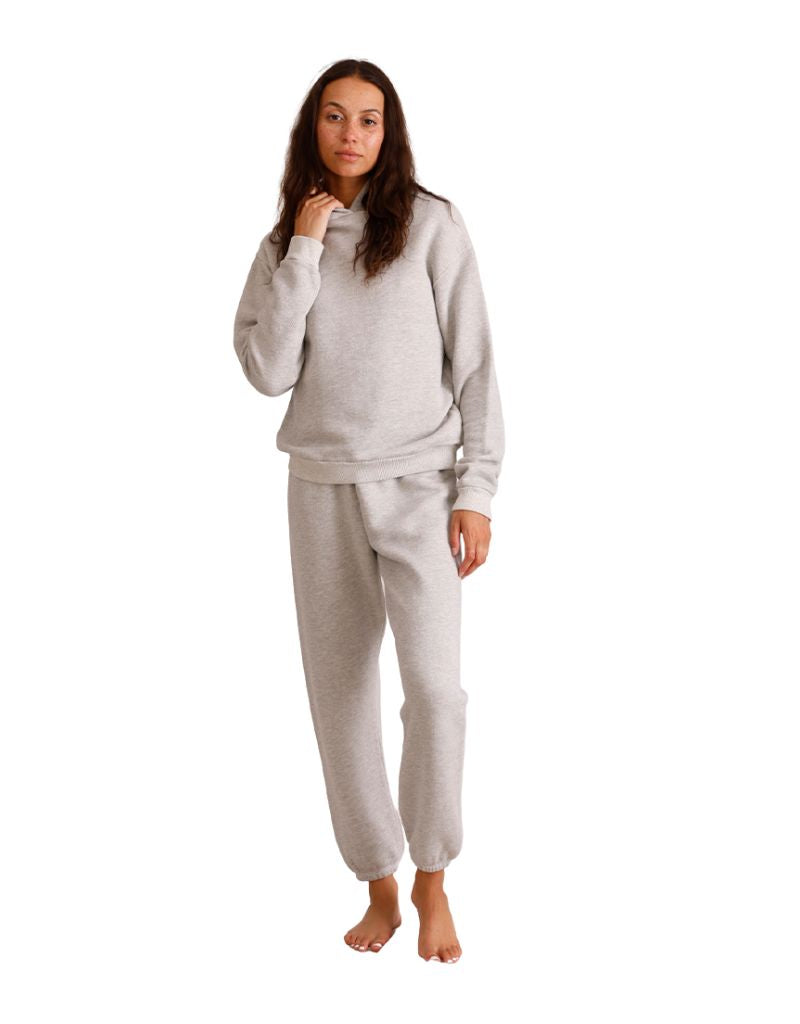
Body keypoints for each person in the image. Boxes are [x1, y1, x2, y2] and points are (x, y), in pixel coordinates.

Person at [232, 59, 505, 964]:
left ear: (390, 133)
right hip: (321, 491)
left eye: (369, 119)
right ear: (312, 129)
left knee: (436, 694)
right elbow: (268, 371)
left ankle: (434, 876)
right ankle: (380, 883)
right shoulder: (285, 245)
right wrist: (306, 250)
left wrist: (477, 491)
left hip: (421, 486)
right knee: (340, 698)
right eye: (335, 117)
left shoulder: (431, 225)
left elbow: (476, 364)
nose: (351, 134)